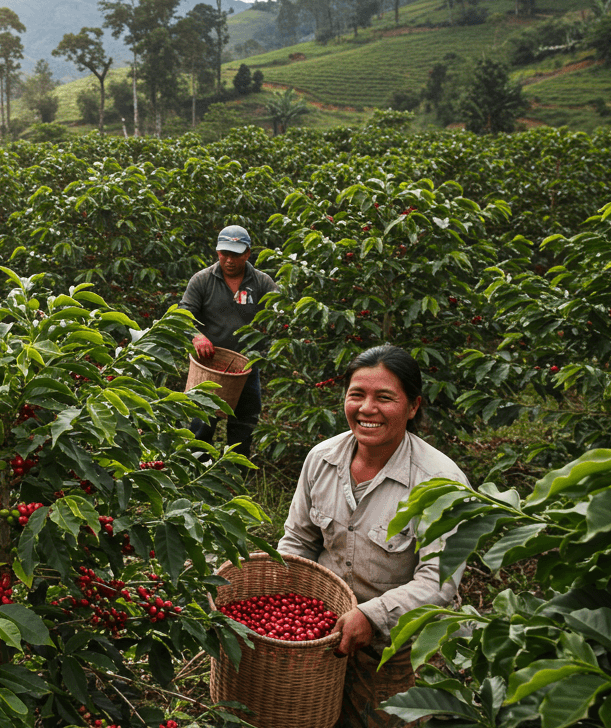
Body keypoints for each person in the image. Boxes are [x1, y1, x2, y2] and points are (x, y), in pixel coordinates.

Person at [277, 345, 470, 728]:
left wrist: (371, 615)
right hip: (321, 632)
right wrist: (284, 600)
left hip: (395, 645)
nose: (367, 408)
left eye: (384, 397)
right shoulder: (322, 459)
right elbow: (298, 542)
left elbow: (438, 581)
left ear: (413, 406)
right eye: (357, 395)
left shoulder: (440, 483)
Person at [179, 224, 279, 457]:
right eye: (225, 254)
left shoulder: (261, 282)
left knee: (244, 425)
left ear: (247, 254)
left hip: (246, 367)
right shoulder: (202, 280)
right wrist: (196, 335)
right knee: (201, 425)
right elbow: (182, 314)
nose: (230, 260)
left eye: (236, 254)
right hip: (209, 366)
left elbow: (280, 313)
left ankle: (235, 470)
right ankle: (195, 470)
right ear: (217, 252)